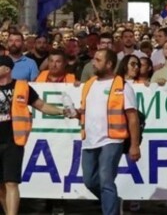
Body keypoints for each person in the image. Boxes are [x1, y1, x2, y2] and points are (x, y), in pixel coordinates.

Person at [75, 49, 141, 215]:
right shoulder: (89, 84)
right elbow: (86, 112)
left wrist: (134, 145)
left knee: (106, 180)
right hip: (89, 140)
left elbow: (132, 117)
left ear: (109, 64)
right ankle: (113, 201)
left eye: (98, 60)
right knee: (89, 181)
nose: (93, 62)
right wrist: (75, 113)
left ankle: (110, 211)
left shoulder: (122, 86)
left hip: (112, 140)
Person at [0, 55, 65, 215]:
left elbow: (41, 105)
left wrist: (63, 111)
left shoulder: (22, 87)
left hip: (13, 140)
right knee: (1, 186)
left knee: (11, 182)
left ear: (6, 69)